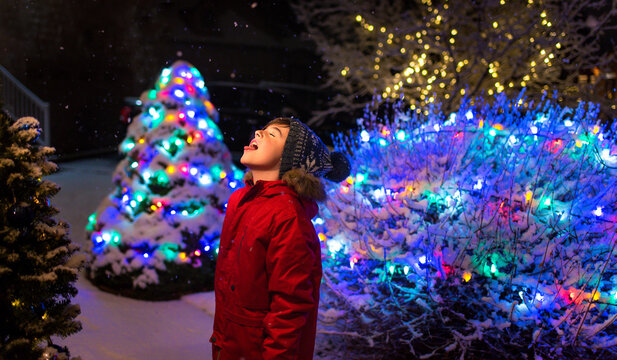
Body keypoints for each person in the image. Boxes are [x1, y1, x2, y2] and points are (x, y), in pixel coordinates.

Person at [210, 117, 350, 359]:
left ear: (290, 161)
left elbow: (290, 306)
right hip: (229, 342)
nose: (259, 132)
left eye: (273, 134)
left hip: (259, 350)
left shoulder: (288, 216)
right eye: (262, 130)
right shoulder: (240, 200)